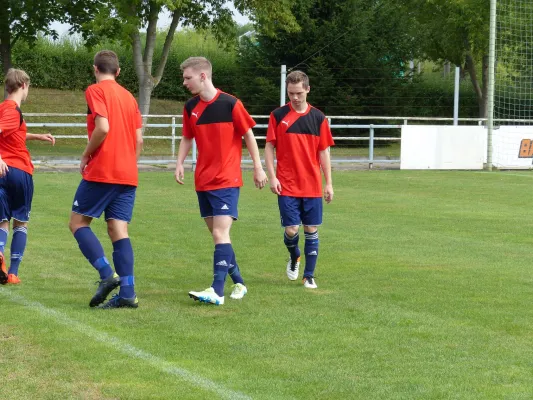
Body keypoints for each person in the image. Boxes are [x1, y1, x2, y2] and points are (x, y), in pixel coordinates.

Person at [175, 56, 267, 306]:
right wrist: (180, 162)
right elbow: (186, 137)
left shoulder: (231, 104)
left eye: (188, 78)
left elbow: (249, 135)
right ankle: (239, 281)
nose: (184, 83)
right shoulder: (190, 107)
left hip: (227, 180)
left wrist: (258, 168)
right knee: (218, 237)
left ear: (203, 76)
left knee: (220, 232)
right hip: (203, 181)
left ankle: (217, 291)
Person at [68, 50, 143, 309]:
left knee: (78, 223)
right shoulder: (129, 97)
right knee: (118, 230)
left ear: (95, 69)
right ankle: (127, 294)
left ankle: (106, 275)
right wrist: (129, 164)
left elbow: (103, 127)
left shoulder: (95, 90)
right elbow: (139, 139)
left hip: (103, 169)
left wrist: (86, 155)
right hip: (128, 173)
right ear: (119, 71)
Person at [265, 70, 334, 289]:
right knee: (292, 229)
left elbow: (324, 152)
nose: (294, 98)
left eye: (298, 93)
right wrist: (272, 176)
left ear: (307, 90)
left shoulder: (318, 118)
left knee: (311, 228)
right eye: (290, 93)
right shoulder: (277, 116)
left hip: (312, 185)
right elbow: (269, 146)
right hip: (286, 183)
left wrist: (329, 183)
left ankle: (309, 275)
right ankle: (294, 256)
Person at [0, 68, 55, 285]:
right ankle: (13, 272)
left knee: (2, 219)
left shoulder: (4, 109)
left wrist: (37, 136)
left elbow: (13, 132)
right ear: (23, 85)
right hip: (18, 171)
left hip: (2, 173)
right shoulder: (13, 110)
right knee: (20, 222)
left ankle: (0, 253)